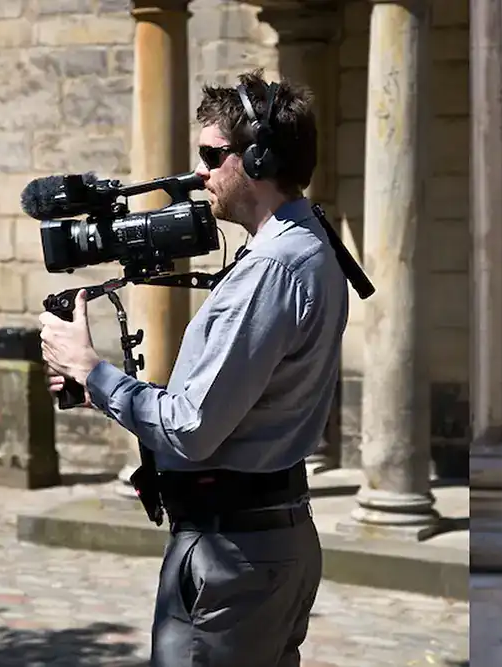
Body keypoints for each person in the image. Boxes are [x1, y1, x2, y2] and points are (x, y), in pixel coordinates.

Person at [38, 69, 348, 667]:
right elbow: (224, 405)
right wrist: (100, 387)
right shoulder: (308, 244)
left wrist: (92, 369)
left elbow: (190, 427)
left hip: (233, 554)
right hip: (262, 543)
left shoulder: (270, 271)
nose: (199, 173)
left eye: (211, 155)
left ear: (257, 160)